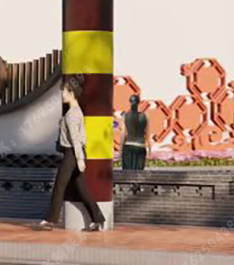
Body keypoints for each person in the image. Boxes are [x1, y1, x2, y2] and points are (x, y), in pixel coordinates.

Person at [33, 79, 105, 231]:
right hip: (74, 153)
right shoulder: (76, 111)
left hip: (72, 153)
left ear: (72, 93)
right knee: (82, 189)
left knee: (59, 186)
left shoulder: (72, 114)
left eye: (65, 91)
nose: (62, 94)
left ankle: (49, 221)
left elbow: (75, 139)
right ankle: (98, 220)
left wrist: (79, 159)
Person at [122, 95, 148, 170]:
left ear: (130, 103)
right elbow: (147, 135)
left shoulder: (125, 116)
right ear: (139, 103)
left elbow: (123, 134)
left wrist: (120, 150)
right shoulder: (145, 116)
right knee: (139, 173)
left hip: (128, 145)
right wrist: (149, 149)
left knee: (127, 173)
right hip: (141, 146)